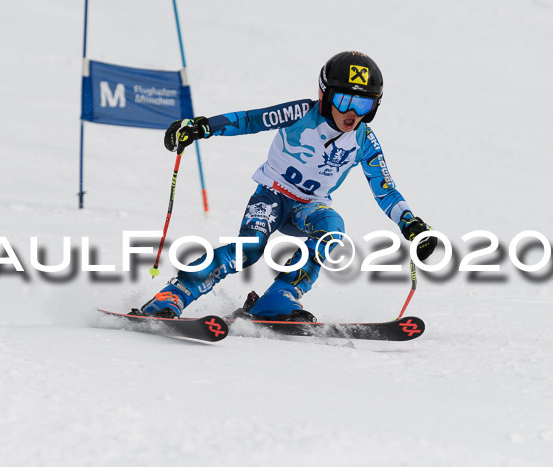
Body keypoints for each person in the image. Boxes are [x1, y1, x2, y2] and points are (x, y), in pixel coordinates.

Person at [133, 51, 437, 321]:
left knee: (333, 229)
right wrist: (203, 127)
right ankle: (175, 293)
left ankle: (279, 298)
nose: (352, 112)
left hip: (311, 205)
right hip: (273, 195)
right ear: (326, 95)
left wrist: (410, 223)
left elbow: (384, 188)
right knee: (249, 249)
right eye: (344, 100)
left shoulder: (364, 141)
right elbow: (251, 120)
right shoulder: (300, 113)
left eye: (363, 103)